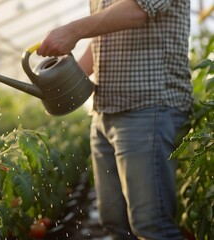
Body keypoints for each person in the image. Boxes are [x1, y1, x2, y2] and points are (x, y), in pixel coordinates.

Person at [37, 0, 193, 239]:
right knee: (114, 223)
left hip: (148, 108)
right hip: (104, 111)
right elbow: (104, 37)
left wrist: (72, 30)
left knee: (152, 226)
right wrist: (69, 77)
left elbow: (138, 10)